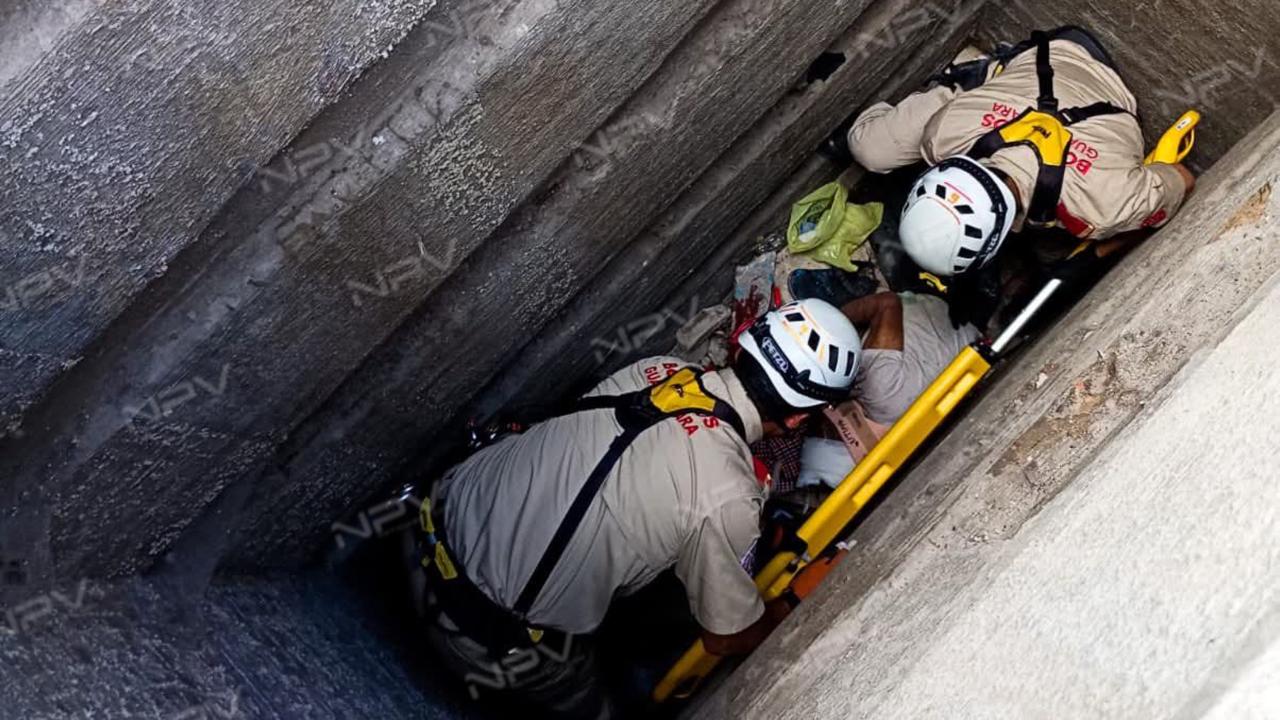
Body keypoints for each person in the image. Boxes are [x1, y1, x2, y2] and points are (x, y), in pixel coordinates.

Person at [413, 299, 862, 718]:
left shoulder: (659, 369)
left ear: (745, 341)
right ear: (800, 417)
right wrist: (793, 606)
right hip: (475, 639)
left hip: (424, 533)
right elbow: (727, 637)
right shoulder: (728, 493)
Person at [846, 26, 1196, 298]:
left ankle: (984, 72)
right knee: (870, 148)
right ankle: (982, 75)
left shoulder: (1102, 209)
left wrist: (1131, 197)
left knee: (1055, 250)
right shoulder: (944, 136)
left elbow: (1182, 177)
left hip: (1098, 80)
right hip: (1051, 57)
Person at [841, 291, 977, 426]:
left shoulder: (881, 411)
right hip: (958, 328)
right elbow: (888, 302)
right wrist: (835, 316)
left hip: (969, 347)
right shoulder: (879, 380)